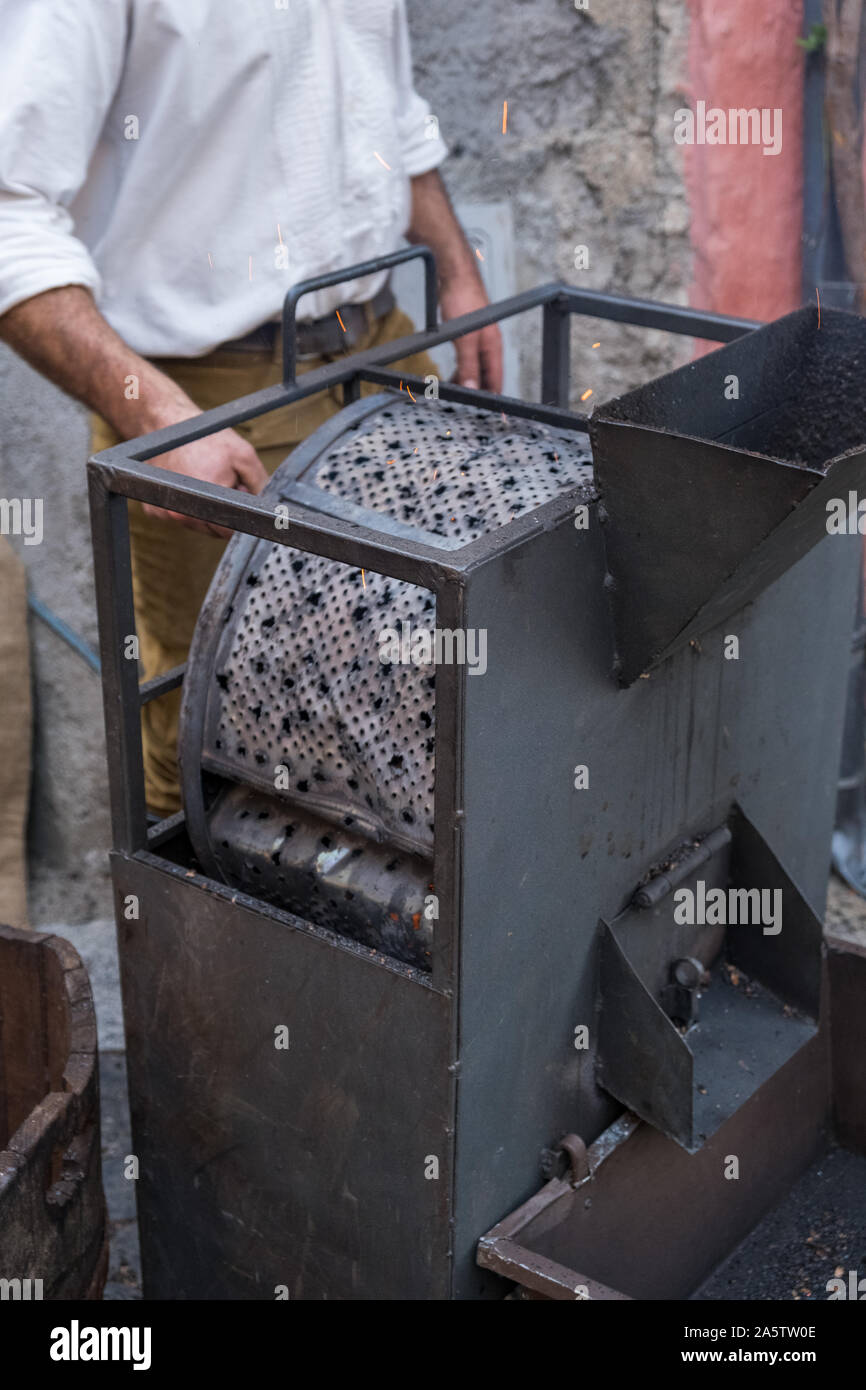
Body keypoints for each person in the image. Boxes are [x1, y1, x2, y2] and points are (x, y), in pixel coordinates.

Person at [0, 0, 503, 816]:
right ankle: (197, 939)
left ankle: (393, 924)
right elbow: (8, 212)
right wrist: (160, 417)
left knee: (422, 685)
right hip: (207, 390)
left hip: (383, 349)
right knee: (214, 734)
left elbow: (392, 112)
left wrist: (457, 265)